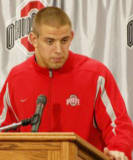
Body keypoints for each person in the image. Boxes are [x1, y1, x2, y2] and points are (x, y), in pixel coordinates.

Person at [0, 6, 133, 160]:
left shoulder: (96, 75)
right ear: (33, 39)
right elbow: (3, 130)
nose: (58, 49)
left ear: (71, 36)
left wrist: (118, 150)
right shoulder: (17, 78)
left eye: (64, 40)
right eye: (50, 41)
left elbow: (119, 124)